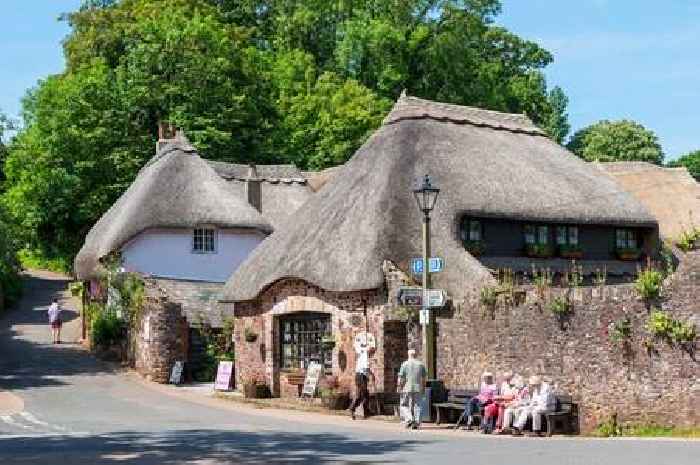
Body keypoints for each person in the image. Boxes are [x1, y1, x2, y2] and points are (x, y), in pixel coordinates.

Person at [397, 349, 427, 430]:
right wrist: (423, 388)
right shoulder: (421, 364)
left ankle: (409, 419)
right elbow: (424, 378)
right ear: (415, 355)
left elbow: (401, 378)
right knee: (418, 405)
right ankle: (417, 422)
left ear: (408, 355)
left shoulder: (405, 364)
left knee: (404, 404)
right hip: (418, 387)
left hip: (407, 387)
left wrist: (399, 386)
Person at [348, 341, 372, 420]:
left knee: (365, 395)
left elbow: (366, 369)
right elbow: (366, 368)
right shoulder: (364, 355)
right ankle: (353, 408)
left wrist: (369, 375)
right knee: (361, 394)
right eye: (370, 349)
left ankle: (366, 411)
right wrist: (372, 375)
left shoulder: (363, 355)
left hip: (362, 376)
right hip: (360, 376)